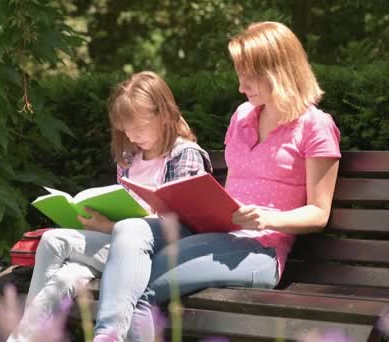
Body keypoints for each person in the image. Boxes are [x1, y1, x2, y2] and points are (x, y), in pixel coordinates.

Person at [97, 21, 340, 341]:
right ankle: (106, 334)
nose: (241, 86)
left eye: (248, 77)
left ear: (277, 71)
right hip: (213, 233)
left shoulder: (315, 127)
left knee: (141, 290)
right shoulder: (242, 116)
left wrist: (268, 217)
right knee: (128, 228)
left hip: (260, 250)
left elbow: (319, 213)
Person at [7, 71, 212, 341]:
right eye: (125, 130)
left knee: (55, 241)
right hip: (111, 246)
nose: (132, 136)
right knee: (64, 278)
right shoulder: (130, 157)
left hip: (150, 255)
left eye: (138, 128)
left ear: (163, 115)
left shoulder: (184, 155)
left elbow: (182, 227)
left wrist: (112, 227)